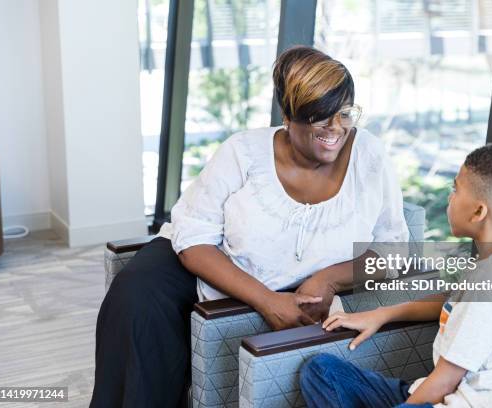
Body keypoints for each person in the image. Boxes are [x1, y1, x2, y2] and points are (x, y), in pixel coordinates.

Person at [90, 46, 409, 407]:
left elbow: (393, 249)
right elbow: (193, 237)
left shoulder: (370, 156)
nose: (336, 128)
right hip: (206, 260)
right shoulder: (242, 152)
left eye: (345, 113)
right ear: (288, 118)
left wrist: (330, 278)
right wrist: (267, 300)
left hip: (286, 279)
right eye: (321, 117)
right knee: (134, 299)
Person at [300, 144, 492, 408]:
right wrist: (381, 314)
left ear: (478, 212)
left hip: (451, 398)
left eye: (456, 189)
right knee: (321, 372)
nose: (450, 197)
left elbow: (444, 382)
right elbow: (451, 300)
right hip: (430, 392)